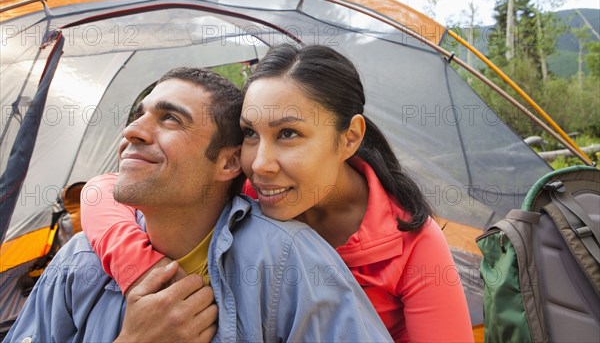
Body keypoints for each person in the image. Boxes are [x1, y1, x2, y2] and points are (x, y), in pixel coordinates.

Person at [80, 45, 474, 342]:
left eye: (289, 134)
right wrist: (141, 271)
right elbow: (103, 191)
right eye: (251, 133)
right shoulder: (249, 187)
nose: (261, 162)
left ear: (349, 137)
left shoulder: (414, 246)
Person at [4, 67, 392, 343]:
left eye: (170, 119)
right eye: (141, 114)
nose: (131, 131)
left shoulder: (288, 261)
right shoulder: (79, 262)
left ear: (227, 162)